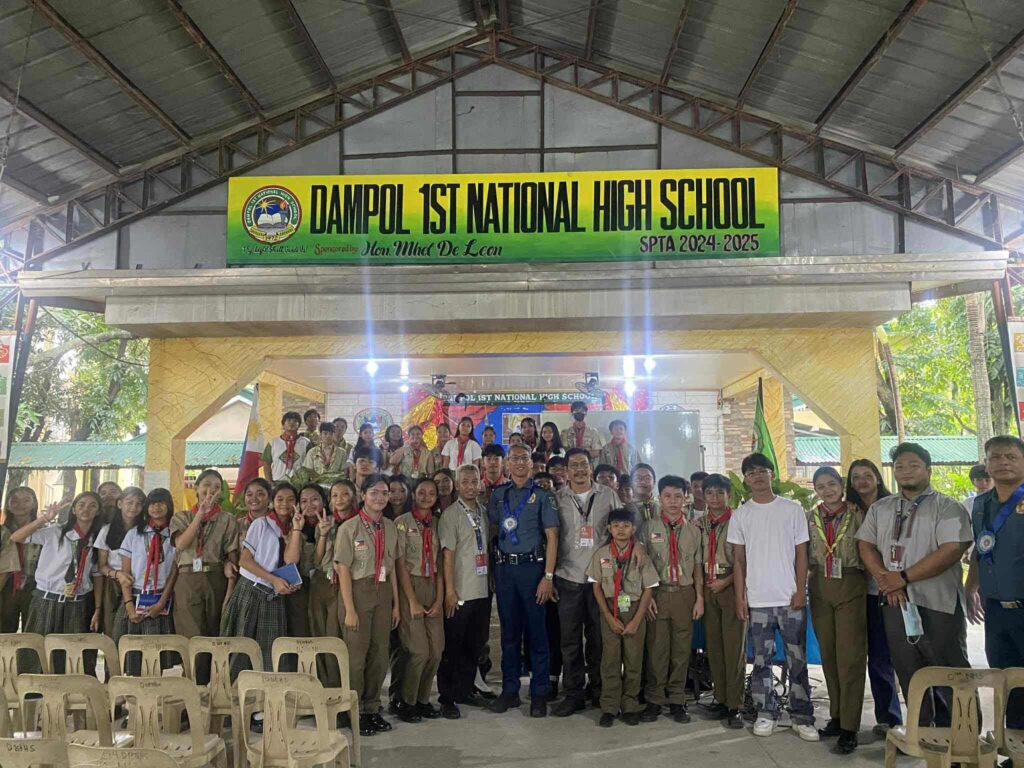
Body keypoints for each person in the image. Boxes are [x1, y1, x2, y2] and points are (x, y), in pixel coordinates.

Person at [855, 442, 972, 728]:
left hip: (937, 603)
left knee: (950, 671)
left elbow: (952, 550)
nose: (905, 471)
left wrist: (903, 577)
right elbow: (865, 545)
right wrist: (886, 579)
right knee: (909, 671)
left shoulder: (948, 507)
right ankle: (920, 735)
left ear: (928, 470)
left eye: (913, 465)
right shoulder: (881, 508)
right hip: (895, 603)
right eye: (899, 467)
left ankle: (964, 737)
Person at [728, 453, 817, 741]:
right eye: (751, 472)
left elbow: (802, 554)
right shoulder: (741, 515)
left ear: (771, 474)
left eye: (762, 470)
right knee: (761, 661)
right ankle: (766, 713)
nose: (757, 476)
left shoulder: (792, 509)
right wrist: (740, 598)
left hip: (789, 599)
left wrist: (800, 589)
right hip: (758, 601)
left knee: (797, 659)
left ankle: (802, 716)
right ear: (745, 479)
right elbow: (739, 560)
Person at [486, 443, 559, 717]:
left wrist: (548, 576)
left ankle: (539, 693)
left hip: (533, 570)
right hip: (505, 570)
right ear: (507, 463)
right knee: (509, 633)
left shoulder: (543, 496)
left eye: (524, 458)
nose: (518, 463)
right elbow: (494, 531)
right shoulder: (499, 495)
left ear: (531, 463)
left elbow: (552, 537)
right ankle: (510, 690)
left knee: (537, 633)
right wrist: (493, 570)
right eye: (514, 458)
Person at [552, 447, 617, 716]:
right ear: (566, 471)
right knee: (569, 642)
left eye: (584, 464)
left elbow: (621, 531)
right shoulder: (557, 498)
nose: (579, 469)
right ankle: (573, 693)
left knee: (598, 640)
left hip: (599, 580)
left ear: (591, 467)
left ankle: (599, 690)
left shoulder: (608, 495)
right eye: (574, 465)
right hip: (567, 578)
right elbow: (550, 538)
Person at [807, 467, 867, 754]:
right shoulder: (810, 517)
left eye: (831, 484)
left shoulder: (857, 514)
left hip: (851, 584)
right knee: (828, 655)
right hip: (820, 584)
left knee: (850, 658)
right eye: (821, 486)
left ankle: (850, 727)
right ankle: (837, 716)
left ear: (841, 485)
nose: (827, 490)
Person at [966, 435, 1024, 730]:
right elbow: (981, 547)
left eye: (1011, 457)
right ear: (987, 464)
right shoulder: (980, 505)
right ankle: (1014, 744)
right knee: (1004, 679)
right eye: (996, 457)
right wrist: (971, 586)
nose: (1003, 462)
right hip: (996, 611)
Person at [335, 474, 400, 736]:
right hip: (358, 594)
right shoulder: (349, 528)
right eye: (373, 492)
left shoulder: (390, 527)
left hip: (383, 592)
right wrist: (350, 609)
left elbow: (392, 568)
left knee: (379, 655)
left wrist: (395, 604)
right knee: (356, 658)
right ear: (362, 496)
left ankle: (372, 708)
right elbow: (343, 570)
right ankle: (354, 710)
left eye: (384, 493)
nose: (379, 498)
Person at [13, 493, 105, 671]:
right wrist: (45, 518)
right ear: (73, 509)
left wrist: (98, 608)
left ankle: (68, 687)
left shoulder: (97, 539)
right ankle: (33, 686)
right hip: (47, 599)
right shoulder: (55, 532)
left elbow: (97, 575)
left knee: (72, 655)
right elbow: (16, 537)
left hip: (77, 602)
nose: (86, 509)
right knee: (36, 652)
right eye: (81, 504)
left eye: (92, 505)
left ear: (98, 511)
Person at [220, 482, 303, 677]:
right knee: (242, 650)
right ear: (272, 502)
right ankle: (235, 692)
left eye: (290, 499)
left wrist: (297, 530)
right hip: (252, 590)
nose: (285, 504)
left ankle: (264, 694)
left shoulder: (292, 528)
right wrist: (273, 579)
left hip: (274, 595)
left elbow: (290, 561)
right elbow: (245, 561)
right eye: (280, 499)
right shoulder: (261, 524)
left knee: (269, 653)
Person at [639, 474, 703, 724]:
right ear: (660, 498)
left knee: (681, 650)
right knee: (657, 649)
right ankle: (655, 699)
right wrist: (647, 595)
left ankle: (677, 699)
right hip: (658, 594)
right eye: (667, 496)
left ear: (686, 498)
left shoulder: (694, 531)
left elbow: (697, 567)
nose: (673, 501)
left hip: (684, 594)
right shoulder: (648, 528)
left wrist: (699, 598)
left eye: (678, 496)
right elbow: (642, 565)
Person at [587, 507, 659, 727]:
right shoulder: (601, 554)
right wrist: (608, 617)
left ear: (633, 529)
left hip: (634, 609)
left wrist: (637, 620)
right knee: (610, 660)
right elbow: (596, 587)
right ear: (609, 528)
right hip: (610, 610)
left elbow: (649, 588)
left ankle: (630, 705)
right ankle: (609, 706)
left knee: (633, 660)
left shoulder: (641, 555)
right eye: (616, 526)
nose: (621, 530)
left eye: (626, 526)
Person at [846, 458, 902, 735]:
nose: (862, 481)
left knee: (906, 656)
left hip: (898, 589)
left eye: (867, 475)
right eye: (856, 477)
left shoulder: (895, 507)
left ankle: (926, 719)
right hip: (865, 593)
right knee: (878, 657)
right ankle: (889, 719)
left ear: (878, 478)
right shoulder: (848, 511)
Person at [170, 469, 240, 682]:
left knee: (214, 631)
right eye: (207, 485)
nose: (211, 490)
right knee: (191, 634)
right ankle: (193, 684)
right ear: (196, 488)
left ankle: (214, 687)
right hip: (188, 577)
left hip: (215, 577)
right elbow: (181, 544)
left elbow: (231, 553)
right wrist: (200, 514)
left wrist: (229, 569)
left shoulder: (227, 519)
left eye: (217, 487)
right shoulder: (182, 517)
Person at [437, 465, 491, 719]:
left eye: (474, 481)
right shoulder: (451, 515)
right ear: (457, 485)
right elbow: (447, 556)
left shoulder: (483, 511)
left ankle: (465, 689)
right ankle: (447, 698)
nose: (470, 486)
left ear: (480, 484)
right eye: (465, 482)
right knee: (453, 648)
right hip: (460, 591)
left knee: (474, 645)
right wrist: (450, 591)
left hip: (481, 590)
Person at [393, 478, 445, 722]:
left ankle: (423, 699)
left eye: (431, 493)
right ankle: (407, 701)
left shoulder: (438, 523)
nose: (426, 497)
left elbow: (442, 563)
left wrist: (440, 598)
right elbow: (400, 564)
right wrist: (411, 600)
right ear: (413, 494)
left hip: (432, 585)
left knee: (436, 651)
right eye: (421, 492)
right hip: (410, 586)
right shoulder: (402, 523)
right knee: (419, 651)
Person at [696, 473, 745, 729]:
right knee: (714, 647)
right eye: (710, 493)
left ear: (729, 495)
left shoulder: (738, 520)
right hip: (708, 585)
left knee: (733, 648)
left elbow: (744, 560)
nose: (715, 498)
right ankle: (722, 698)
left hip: (731, 584)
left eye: (720, 493)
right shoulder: (699, 524)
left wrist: (725, 583)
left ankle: (735, 705)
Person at [113, 488, 178, 675]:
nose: (156, 508)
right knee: (130, 655)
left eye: (161, 503)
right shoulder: (134, 534)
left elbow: (174, 572)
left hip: (160, 600)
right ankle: (130, 691)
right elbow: (125, 573)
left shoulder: (175, 535)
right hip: (134, 597)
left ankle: (152, 691)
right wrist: (129, 605)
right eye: (152, 503)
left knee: (155, 658)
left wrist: (162, 603)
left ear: (169, 506)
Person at [309, 481, 352, 690]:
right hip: (322, 581)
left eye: (345, 494)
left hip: (345, 584)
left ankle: (341, 686)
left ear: (354, 497)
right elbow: (317, 560)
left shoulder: (359, 522)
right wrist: (324, 533)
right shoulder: (325, 522)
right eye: (335, 495)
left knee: (337, 634)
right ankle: (324, 685)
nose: (339, 499)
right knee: (320, 633)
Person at [95, 486, 146, 637]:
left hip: (138, 584)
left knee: (136, 628)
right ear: (120, 504)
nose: (133, 507)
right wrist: (118, 574)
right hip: (114, 585)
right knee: (113, 629)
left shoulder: (145, 531)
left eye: (138, 504)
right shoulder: (107, 530)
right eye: (129, 502)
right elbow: (101, 566)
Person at [0, 487, 41, 637]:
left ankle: (28, 654)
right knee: (4, 629)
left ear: (34, 504)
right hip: (5, 584)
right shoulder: (2, 531)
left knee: (32, 632)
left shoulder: (43, 531)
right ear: (8, 504)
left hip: (34, 585)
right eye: (15, 500)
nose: (20, 504)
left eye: (26, 500)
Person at [287, 484, 326, 638]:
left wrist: (323, 534)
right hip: (299, 585)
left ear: (324, 501)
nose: (309, 504)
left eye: (314, 499)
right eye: (304, 501)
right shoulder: (293, 524)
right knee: (300, 628)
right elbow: (290, 560)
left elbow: (318, 562)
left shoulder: (331, 523)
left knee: (322, 627)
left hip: (324, 584)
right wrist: (297, 528)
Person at [262, 411, 311, 482]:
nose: (292, 422)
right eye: (288, 420)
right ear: (283, 425)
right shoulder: (273, 443)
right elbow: (266, 464)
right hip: (278, 482)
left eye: (295, 421)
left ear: (299, 425)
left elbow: (311, 464)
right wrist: (269, 482)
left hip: (299, 483)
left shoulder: (306, 442)